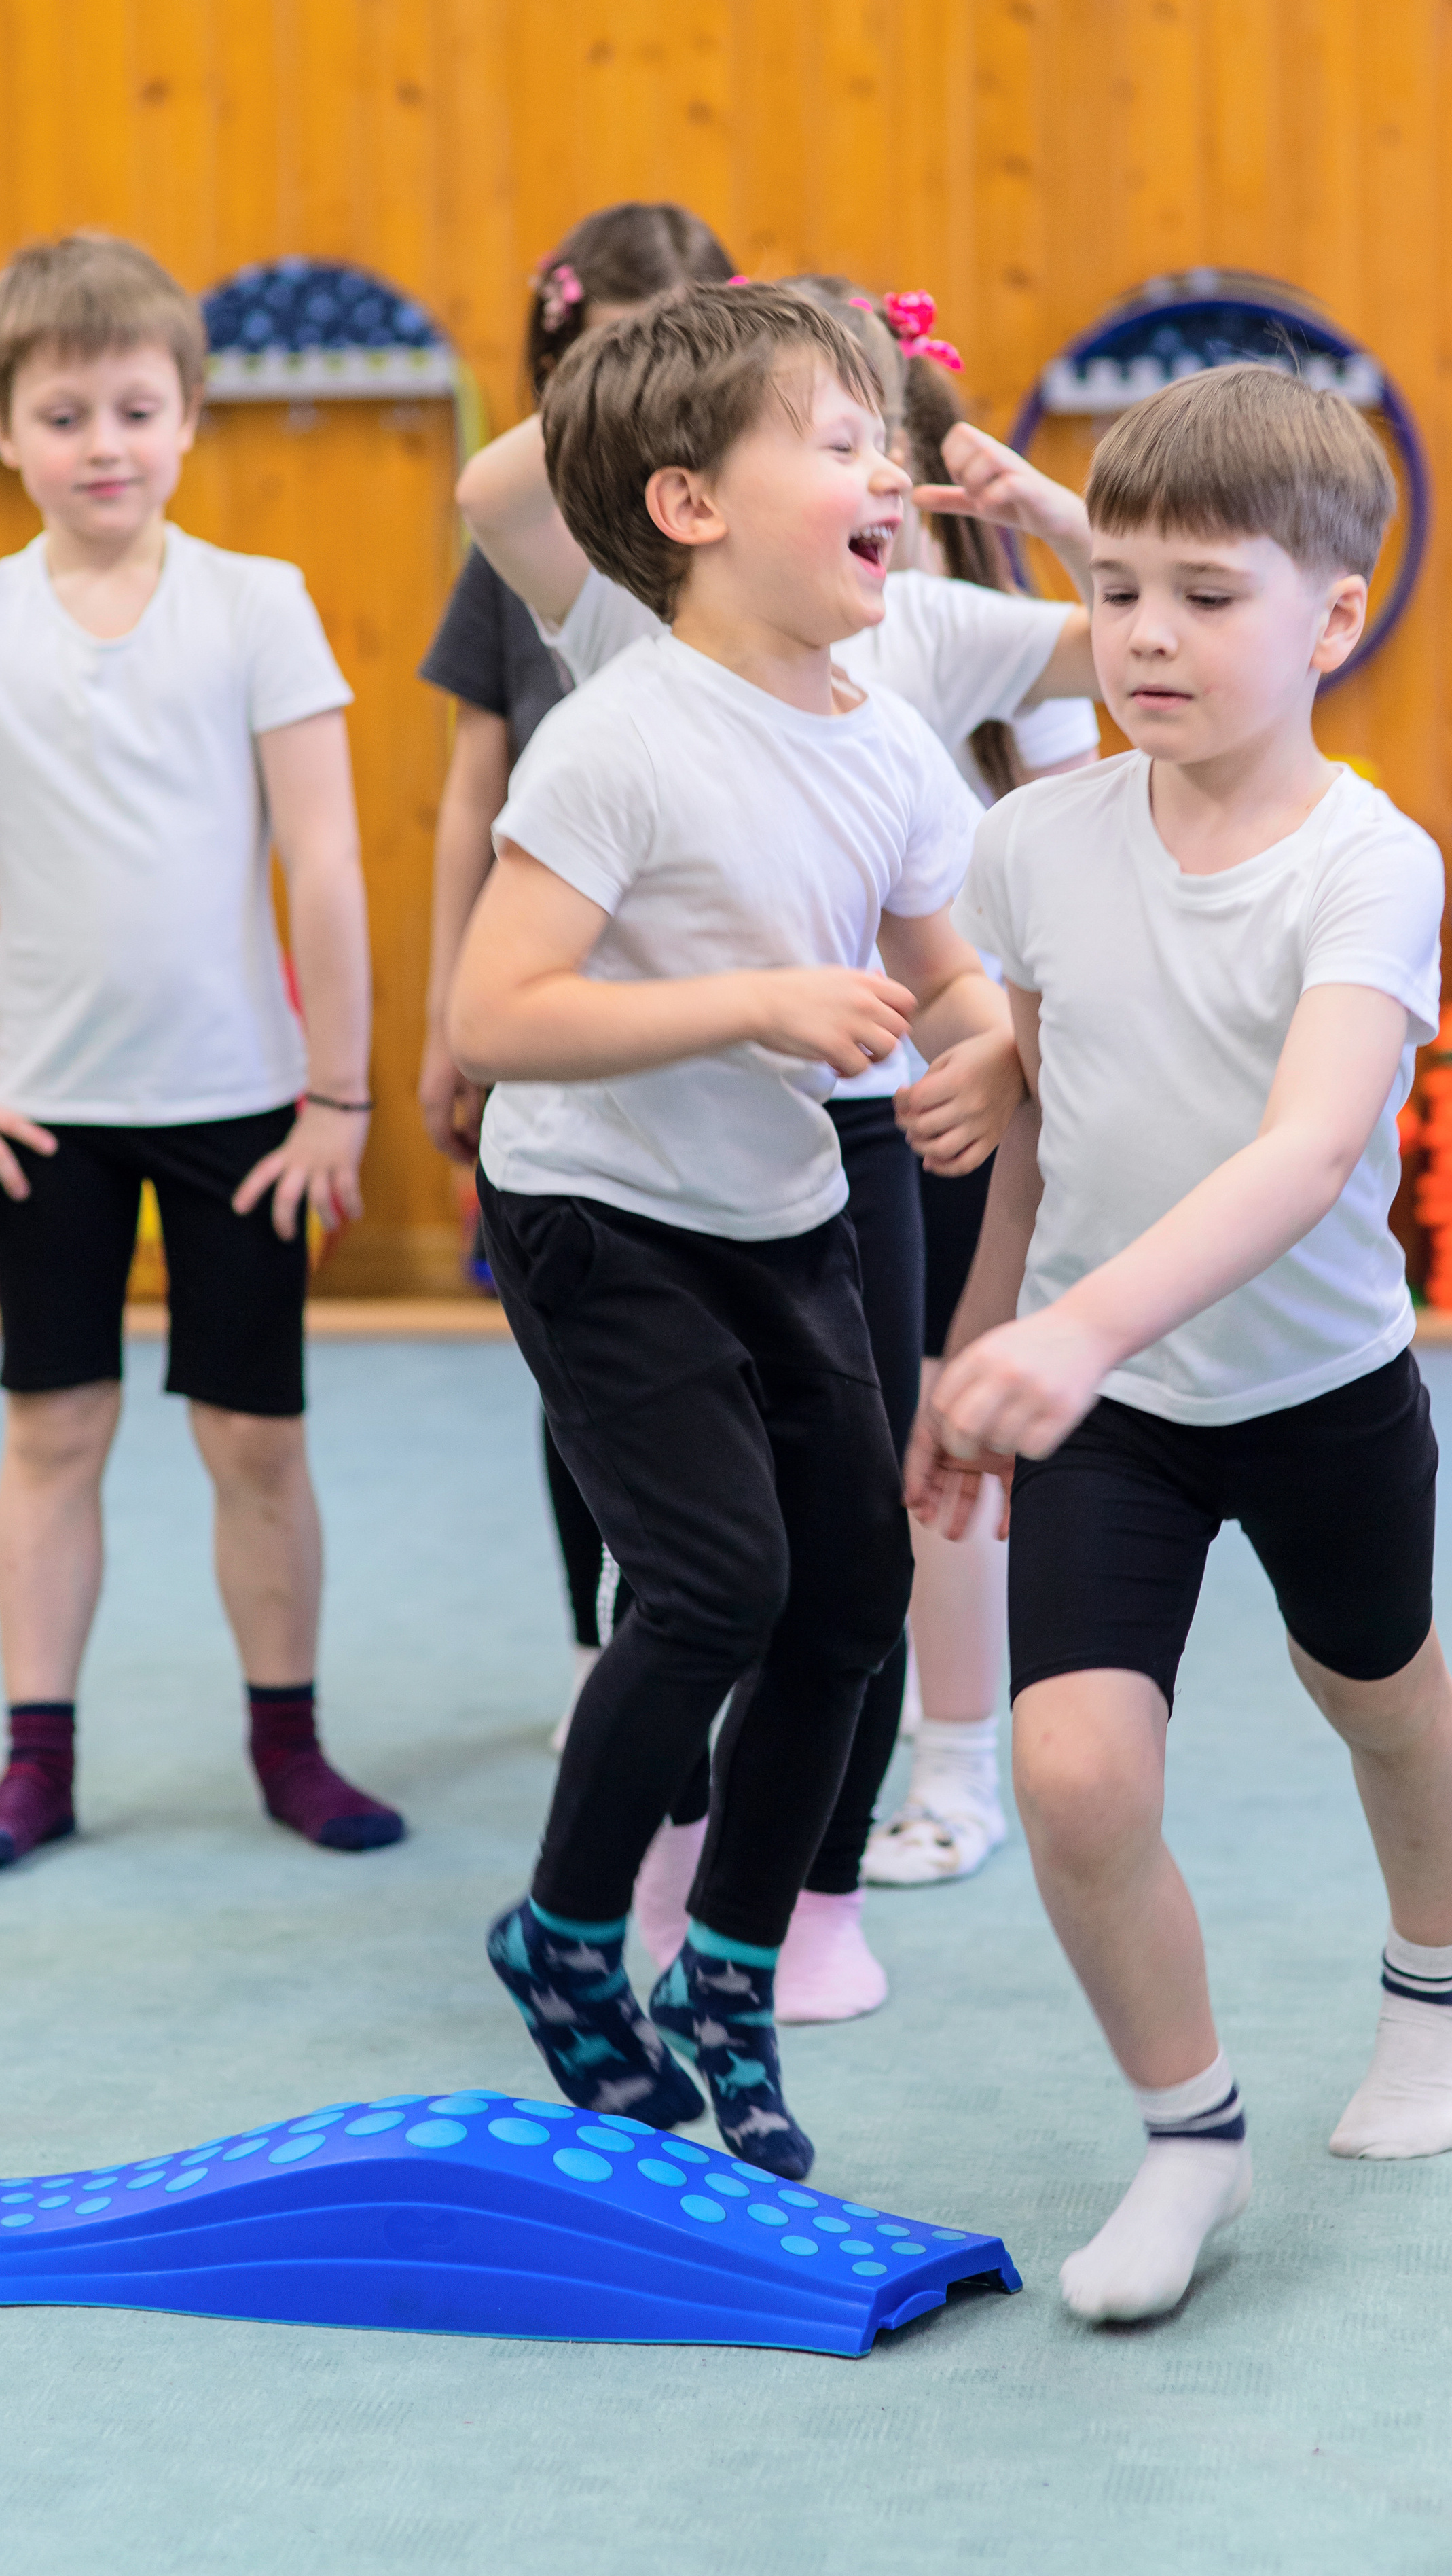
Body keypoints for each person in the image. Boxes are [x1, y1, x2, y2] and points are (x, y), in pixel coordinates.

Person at [906, 363, 1452, 2322]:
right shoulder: (1038, 845)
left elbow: (1315, 1151)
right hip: (1113, 1407)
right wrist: (979, 1342)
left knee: (1382, 1698)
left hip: (1315, 1388)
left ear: (1333, 619)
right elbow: (1052, 1110)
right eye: (1120, 585)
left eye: (1205, 595)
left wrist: (1059, 1330)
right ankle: (1190, 2136)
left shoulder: (1369, 863)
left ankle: (1434, 1991)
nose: (1145, 631)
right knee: (1074, 1781)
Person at [456, 278, 1102, 2018]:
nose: (885, 474)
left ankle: (737, 1962)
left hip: (782, 1207)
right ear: (689, 508)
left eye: (882, 442)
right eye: (836, 443)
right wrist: (753, 1003)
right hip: (595, 1214)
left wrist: (985, 1053)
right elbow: (495, 1018)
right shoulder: (614, 732)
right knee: (716, 1585)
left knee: (852, 1591)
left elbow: (950, 975)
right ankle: (569, 1933)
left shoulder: (891, 738)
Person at [0, 232, 403, 1872]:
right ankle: (35, 1761)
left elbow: (330, 863)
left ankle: (288, 1742)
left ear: (189, 417)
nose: (102, 445)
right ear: (1, 429)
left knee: (255, 1436)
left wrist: (340, 1090)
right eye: (63, 413)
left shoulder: (257, 604)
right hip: (48, 1116)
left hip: (243, 1108)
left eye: (134, 409)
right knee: (52, 1427)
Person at [417, 203, 733, 1747]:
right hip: (554, 972)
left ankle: (718, 1638)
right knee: (586, 1355)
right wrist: (442, 1022)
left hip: (711, 976)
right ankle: (593, 1635)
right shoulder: (529, 547)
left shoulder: (730, 549)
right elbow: (471, 787)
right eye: (596, 363)